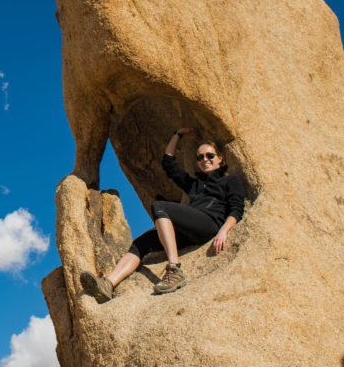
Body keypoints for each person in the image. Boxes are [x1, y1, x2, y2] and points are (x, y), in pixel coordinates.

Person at [80, 128, 246, 299]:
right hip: (191, 230)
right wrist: (178, 134)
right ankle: (108, 284)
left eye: (210, 155)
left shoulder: (230, 180)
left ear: (220, 158)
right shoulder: (195, 185)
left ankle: (174, 269)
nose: (205, 160)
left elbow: (236, 209)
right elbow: (168, 164)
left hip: (210, 224)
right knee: (141, 243)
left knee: (159, 207)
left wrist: (224, 231)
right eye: (200, 157)